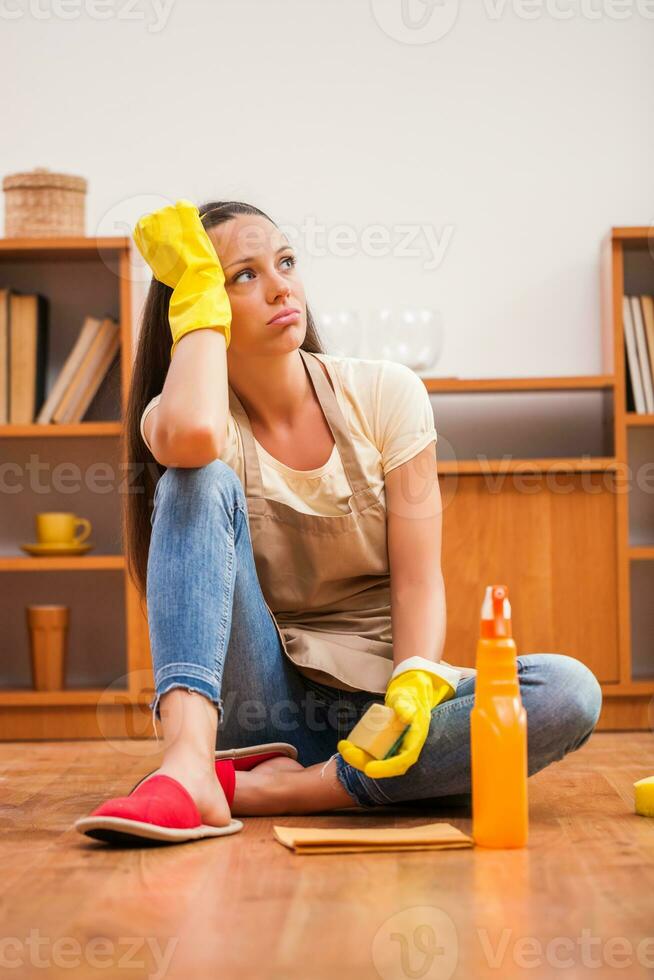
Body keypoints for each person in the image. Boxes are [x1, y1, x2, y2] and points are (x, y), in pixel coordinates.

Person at [75, 199, 603, 846]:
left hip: (386, 711)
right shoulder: (182, 418)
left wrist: (413, 680)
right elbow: (193, 437)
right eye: (243, 276)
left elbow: (416, 582)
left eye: (287, 262)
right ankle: (188, 769)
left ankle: (295, 788)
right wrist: (199, 315)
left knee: (568, 691)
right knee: (198, 475)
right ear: (200, 301)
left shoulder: (384, 394)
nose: (280, 287)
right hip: (261, 715)